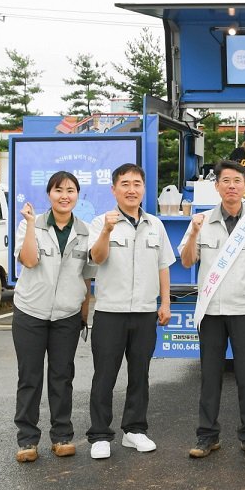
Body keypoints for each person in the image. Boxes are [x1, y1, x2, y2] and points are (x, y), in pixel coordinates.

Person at [178, 160, 245, 460]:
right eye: (226, 180)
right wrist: (192, 234)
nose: (232, 185)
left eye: (237, 181)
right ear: (216, 185)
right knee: (210, 376)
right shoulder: (201, 220)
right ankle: (207, 436)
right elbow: (187, 261)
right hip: (211, 311)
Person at [86, 163, 174, 460]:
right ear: (114, 189)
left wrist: (165, 303)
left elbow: (163, 265)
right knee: (105, 375)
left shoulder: (155, 225)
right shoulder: (101, 222)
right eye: (125, 183)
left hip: (145, 312)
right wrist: (108, 231)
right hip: (111, 312)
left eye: (137, 183)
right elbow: (96, 258)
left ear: (144, 188)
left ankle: (134, 430)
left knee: (140, 374)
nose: (131, 189)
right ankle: (100, 434)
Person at [12, 172, 94, 463]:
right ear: (49, 194)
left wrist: (84, 314)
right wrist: (33, 224)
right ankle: (27, 440)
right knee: (30, 377)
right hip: (30, 313)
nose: (64, 195)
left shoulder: (84, 232)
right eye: (59, 190)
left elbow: (86, 278)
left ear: (77, 195)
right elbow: (30, 260)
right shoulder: (29, 225)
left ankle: (62, 436)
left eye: (70, 190)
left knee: (62, 376)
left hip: (67, 316)